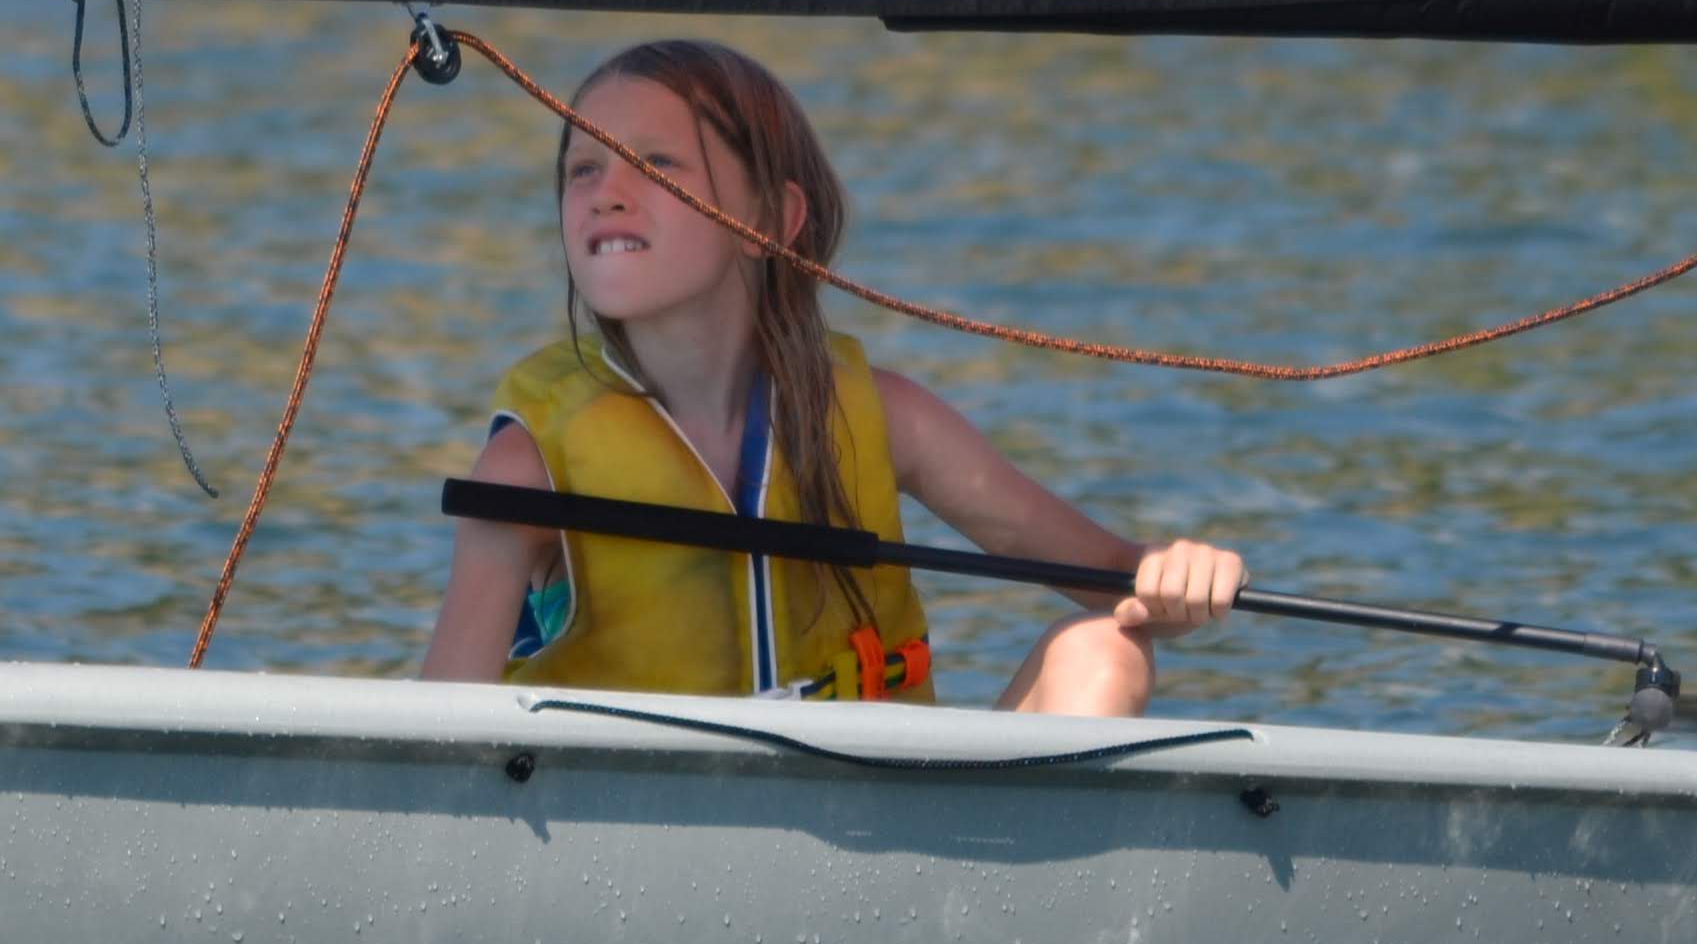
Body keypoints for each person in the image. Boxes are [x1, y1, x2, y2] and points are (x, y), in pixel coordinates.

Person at [420, 38, 1245, 712]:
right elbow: (437, 743)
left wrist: (1178, 578)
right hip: (631, 867)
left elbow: (1116, 582)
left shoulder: (891, 421)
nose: (606, 195)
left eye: (658, 166)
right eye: (582, 171)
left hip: (888, 854)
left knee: (1103, 647)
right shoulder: (527, 470)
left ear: (771, 221)